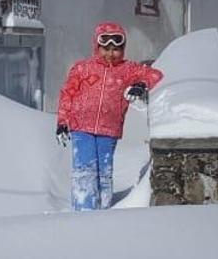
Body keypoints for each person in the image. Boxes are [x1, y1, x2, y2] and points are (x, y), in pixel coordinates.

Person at [55, 22, 163, 211]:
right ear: (97, 47)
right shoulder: (83, 68)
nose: (110, 53)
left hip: (109, 129)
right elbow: (67, 94)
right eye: (106, 49)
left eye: (115, 49)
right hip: (81, 126)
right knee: (85, 169)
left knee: (104, 171)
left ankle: (103, 209)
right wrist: (62, 122)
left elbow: (155, 74)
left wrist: (140, 84)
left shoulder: (128, 69)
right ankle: (84, 208)